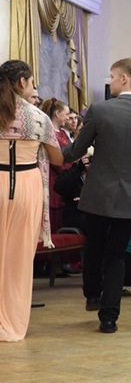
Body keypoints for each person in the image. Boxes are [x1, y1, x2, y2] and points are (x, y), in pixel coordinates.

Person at [62, 58, 131, 334]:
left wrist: (53, 152)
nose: (110, 81)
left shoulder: (100, 110)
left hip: (98, 192)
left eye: (112, 76)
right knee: (117, 254)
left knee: (94, 245)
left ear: (124, 79)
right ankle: (109, 318)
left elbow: (77, 150)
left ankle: (93, 295)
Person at [0, 60, 63, 342]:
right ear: (23, 82)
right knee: (19, 258)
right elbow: (57, 158)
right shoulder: (37, 117)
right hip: (26, 186)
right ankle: (12, 321)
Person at [39, 98, 74, 233]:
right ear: (57, 113)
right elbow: (55, 159)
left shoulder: (62, 133)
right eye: (66, 114)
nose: (68, 118)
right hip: (53, 176)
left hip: (65, 176)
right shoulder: (49, 132)